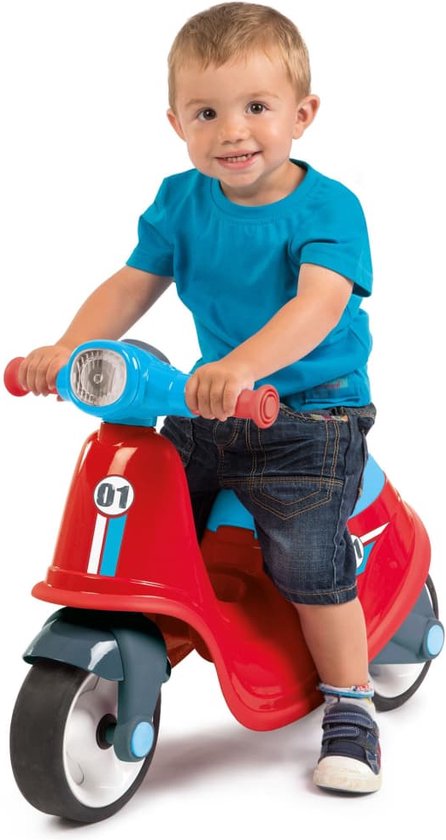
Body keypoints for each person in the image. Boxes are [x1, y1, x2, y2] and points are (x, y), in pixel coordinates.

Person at [18, 2, 381, 794]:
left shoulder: (329, 208)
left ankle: (351, 703)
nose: (232, 131)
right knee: (145, 513)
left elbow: (317, 305)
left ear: (302, 115)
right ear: (176, 122)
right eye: (207, 112)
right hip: (211, 406)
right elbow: (132, 283)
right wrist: (69, 348)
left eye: (257, 107)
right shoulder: (180, 200)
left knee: (306, 560)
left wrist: (244, 366)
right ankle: (155, 625)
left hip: (310, 416)